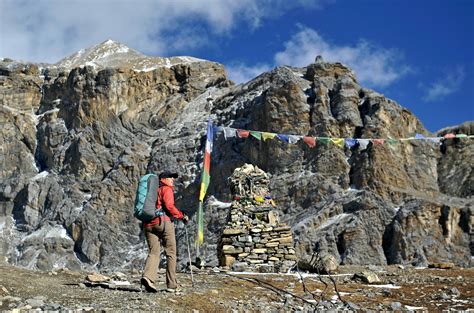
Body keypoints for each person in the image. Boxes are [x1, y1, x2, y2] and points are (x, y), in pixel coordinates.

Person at [141, 171, 189, 293]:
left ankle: (148, 278)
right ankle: (172, 285)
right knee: (171, 253)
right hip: (163, 223)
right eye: (170, 177)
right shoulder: (166, 189)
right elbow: (169, 206)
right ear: (163, 179)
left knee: (153, 252)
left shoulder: (151, 191)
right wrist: (181, 216)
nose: (173, 179)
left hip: (148, 224)